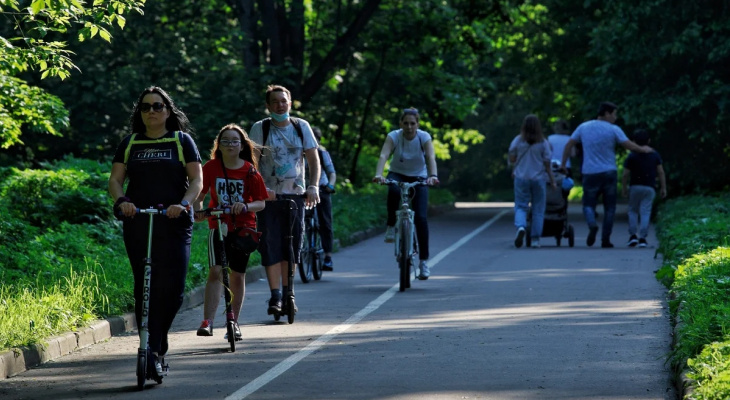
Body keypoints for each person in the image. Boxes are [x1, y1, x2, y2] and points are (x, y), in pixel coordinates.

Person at [108, 86, 203, 378]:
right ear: (140, 112)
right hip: (139, 221)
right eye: (146, 107)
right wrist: (122, 201)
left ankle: (158, 342)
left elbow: (197, 180)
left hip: (173, 222)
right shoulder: (129, 142)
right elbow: (114, 180)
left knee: (172, 289)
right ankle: (147, 346)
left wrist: (183, 204)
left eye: (158, 106)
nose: (152, 111)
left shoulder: (181, 140)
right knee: (144, 286)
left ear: (168, 110)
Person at [249, 85, 320, 316]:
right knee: (270, 244)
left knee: (293, 243)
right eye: (275, 101)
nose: (280, 105)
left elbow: (312, 159)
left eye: (284, 100)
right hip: (268, 197)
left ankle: (289, 292)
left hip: (296, 195)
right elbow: (253, 163)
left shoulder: (301, 127)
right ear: (268, 106)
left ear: (290, 103)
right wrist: (261, 189)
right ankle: (275, 295)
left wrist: (313, 186)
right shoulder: (261, 128)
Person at [193, 124, 268, 339]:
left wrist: (245, 206)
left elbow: (261, 203)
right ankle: (208, 321)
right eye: (225, 141)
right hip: (218, 226)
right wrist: (199, 212)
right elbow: (199, 196)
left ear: (242, 144)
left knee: (237, 275)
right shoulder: (211, 167)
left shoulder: (250, 170)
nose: (230, 145)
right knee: (216, 270)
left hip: (244, 228)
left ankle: (233, 322)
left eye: (234, 141)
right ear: (219, 144)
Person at [560, 101, 653, 248]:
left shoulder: (583, 127)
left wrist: (564, 165)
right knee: (610, 208)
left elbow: (569, 145)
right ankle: (605, 240)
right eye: (614, 114)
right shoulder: (613, 129)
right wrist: (643, 150)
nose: (615, 118)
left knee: (588, 204)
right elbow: (627, 144)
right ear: (607, 113)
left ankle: (592, 224)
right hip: (609, 172)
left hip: (590, 172)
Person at [373, 108, 439, 280]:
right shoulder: (394, 136)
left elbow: (431, 157)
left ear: (417, 124)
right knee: (393, 189)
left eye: (413, 123)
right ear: (400, 124)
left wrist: (433, 176)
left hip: (419, 176)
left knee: (421, 219)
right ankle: (390, 226)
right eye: (406, 123)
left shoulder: (424, 137)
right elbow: (383, 155)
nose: (409, 127)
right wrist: (379, 174)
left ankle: (423, 262)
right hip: (397, 174)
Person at [508, 114, 557, 248]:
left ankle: (521, 227)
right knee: (538, 209)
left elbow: (512, 157)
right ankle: (535, 239)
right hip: (538, 179)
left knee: (521, 206)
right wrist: (552, 181)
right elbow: (547, 163)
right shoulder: (543, 142)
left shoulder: (518, 140)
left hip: (521, 178)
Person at [621, 129, 666, 248]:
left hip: (635, 186)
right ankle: (642, 238)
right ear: (649, 140)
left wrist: (624, 187)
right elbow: (660, 172)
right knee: (645, 211)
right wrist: (663, 188)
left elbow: (625, 174)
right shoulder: (655, 155)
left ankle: (632, 236)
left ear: (634, 141)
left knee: (632, 210)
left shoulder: (632, 156)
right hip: (649, 187)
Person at [312, 127, 337, 271]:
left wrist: (330, 185)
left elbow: (331, 172)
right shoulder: (299, 152)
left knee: (325, 222)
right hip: (303, 189)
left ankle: (328, 257)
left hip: (321, 188)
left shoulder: (322, 153)